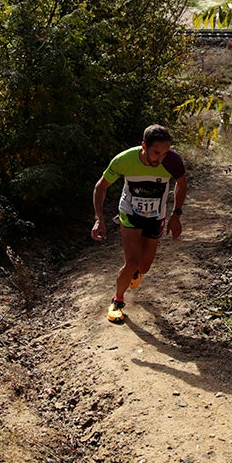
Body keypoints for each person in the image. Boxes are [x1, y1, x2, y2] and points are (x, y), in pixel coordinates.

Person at [91, 124, 187, 323]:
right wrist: (98, 218)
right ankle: (117, 301)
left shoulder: (172, 161)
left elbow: (181, 182)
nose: (160, 158)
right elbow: (101, 186)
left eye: (165, 152)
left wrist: (176, 215)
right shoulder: (124, 160)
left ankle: (135, 273)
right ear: (144, 146)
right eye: (156, 153)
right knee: (132, 261)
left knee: (143, 267)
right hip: (130, 214)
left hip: (156, 217)